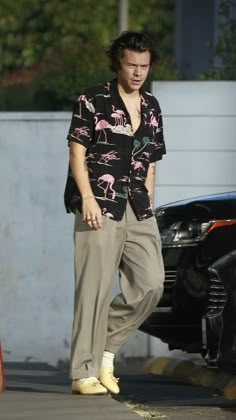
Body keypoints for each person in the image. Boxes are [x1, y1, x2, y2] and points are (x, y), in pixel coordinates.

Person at [64, 31, 166, 395]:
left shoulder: (152, 105)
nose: (138, 72)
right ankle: (82, 373)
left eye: (144, 65)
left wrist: (149, 200)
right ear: (118, 63)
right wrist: (87, 198)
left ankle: (105, 352)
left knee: (151, 284)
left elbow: (152, 160)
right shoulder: (93, 100)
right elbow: (77, 152)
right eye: (131, 65)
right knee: (93, 289)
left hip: (138, 208)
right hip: (100, 205)